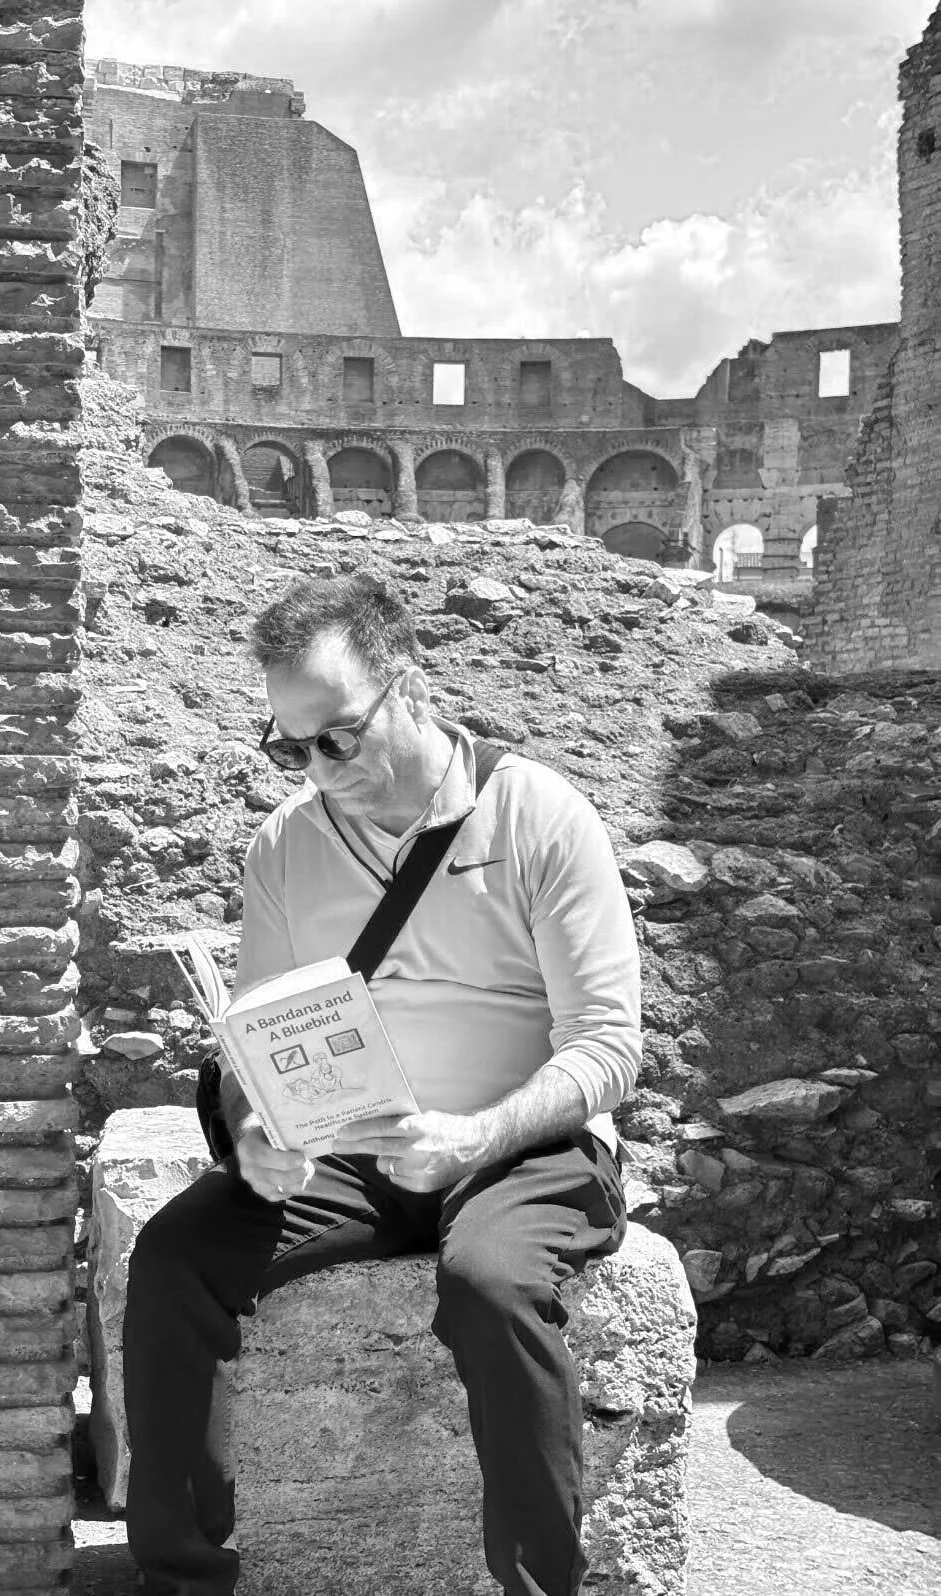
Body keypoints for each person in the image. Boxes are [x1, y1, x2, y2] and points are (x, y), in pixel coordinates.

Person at [123, 574, 641, 1596]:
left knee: (492, 1283)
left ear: (409, 687)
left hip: (523, 1148)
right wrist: (253, 1135)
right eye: (291, 747)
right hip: (352, 1152)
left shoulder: (539, 814)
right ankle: (183, 1577)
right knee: (175, 1256)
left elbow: (608, 1049)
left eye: (338, 738)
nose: (319, 770)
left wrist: (475, 1137)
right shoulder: (287, 843)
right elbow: (255, 1039)